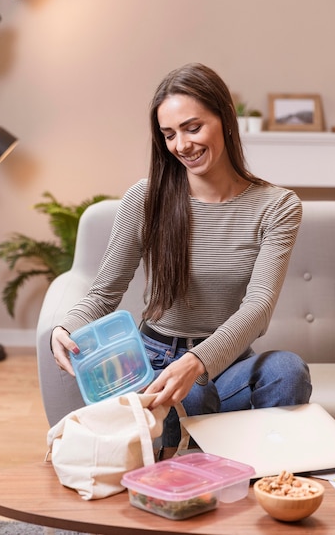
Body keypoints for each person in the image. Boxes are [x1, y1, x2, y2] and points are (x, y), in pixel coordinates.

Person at [50, 62, 312, 447]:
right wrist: (66, 328)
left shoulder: (277, 206)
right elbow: (105, 291)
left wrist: (199, 362)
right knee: (191, 395)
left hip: (227, 361)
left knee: (288, 371)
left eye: (193, 128)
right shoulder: (145, 199)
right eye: (169, 134)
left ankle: (267, 478)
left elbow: (258, 307)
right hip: (155, 360)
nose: (182, 145)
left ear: (225, 119)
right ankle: (199, 485)